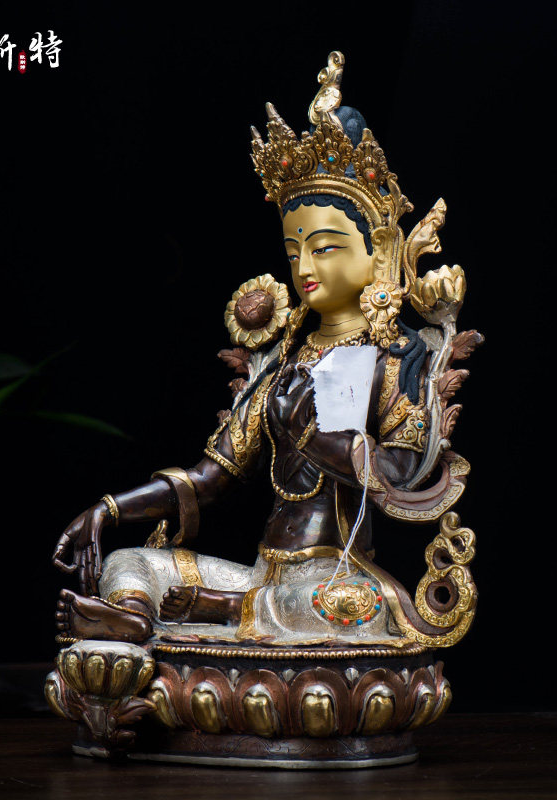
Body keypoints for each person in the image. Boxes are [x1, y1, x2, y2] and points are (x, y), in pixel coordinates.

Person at [53, 53, 477, 650]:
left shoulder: (395, 360)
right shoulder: (283, 366)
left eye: (324, 247)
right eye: (294, 250)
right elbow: (210, 478)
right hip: (263, 572)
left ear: (379, 250)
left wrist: (315, 438)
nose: (303, 267)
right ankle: (136, 616)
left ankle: (222, 612)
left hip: (332, 579)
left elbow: (402, 478)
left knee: (346, 608)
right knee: (132, 563)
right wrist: (109, 508)